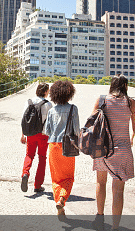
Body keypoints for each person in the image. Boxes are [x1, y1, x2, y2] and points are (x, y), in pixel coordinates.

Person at [92, 75, 135, 229]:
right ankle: (115, 227)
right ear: (125, 85)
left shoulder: (102, 100)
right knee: (118, 190)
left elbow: (91, 122)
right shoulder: (131, 103)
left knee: (101, 182)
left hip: (102, 149)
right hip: (122, 149)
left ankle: (99, 216)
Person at [44, 80, 79, 216]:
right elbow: (76, 130)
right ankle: (63, 198)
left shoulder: (52, 110)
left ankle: (60, 204)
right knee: (68, 177)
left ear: (54, 94)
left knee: (56, 178)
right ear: (69, 94)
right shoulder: (73, 109)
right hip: (68, 146)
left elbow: (47, 130)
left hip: (53, 146)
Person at [20, 83, 53, 193]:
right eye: (48, 91)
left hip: (30, 134)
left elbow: (24, 119)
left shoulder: (29, 102)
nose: (48, 93)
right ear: (45, 92)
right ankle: (37, 185)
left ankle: (25, 173)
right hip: (43, 135)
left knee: (29, 155)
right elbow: (50, 122)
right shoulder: (48, 105)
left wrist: (23, 134)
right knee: (42, 158)